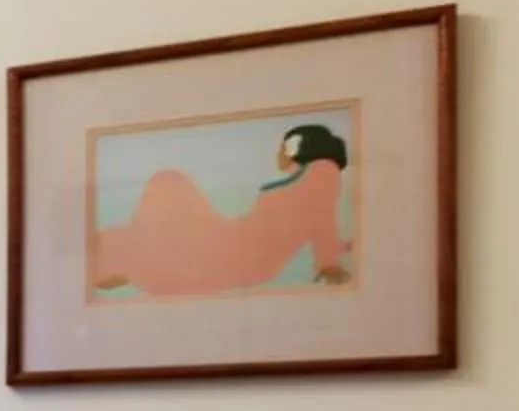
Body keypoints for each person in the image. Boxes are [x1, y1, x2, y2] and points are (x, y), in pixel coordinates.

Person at [93, 123, 353, 297]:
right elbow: (320, 218)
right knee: (167, 184)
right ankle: (133, 254)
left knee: (166, 185)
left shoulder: (322, 173)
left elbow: (321, 219)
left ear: (295, 147)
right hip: (230, 241)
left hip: (235, 252)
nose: (278, 152)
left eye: (283, 146)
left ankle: (132, 256)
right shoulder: (312, 177)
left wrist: (327, 262)